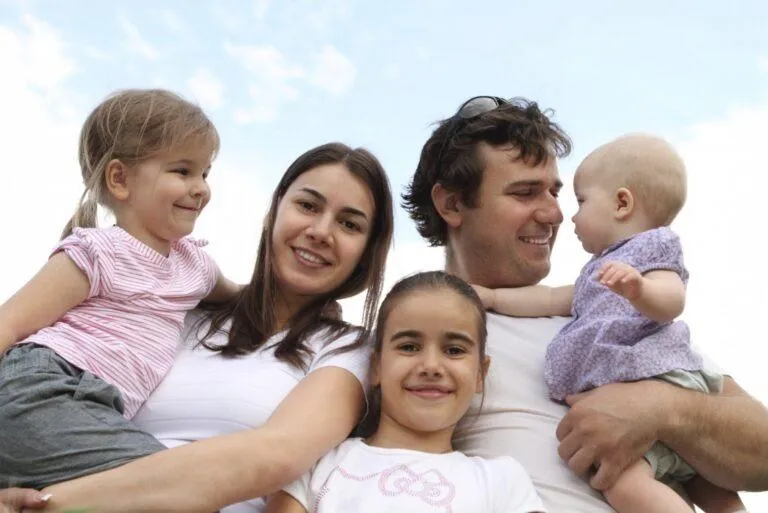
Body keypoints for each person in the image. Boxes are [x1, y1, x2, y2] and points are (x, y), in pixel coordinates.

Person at [401, 95, 768, 512]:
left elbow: (764, 454)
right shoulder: (407, 344)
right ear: (451, 204)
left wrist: (660, 409)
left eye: (556, 193)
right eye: (525, 193)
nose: (555, 214)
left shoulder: (610, 312)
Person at [0, 141, 394, 512]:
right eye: (308, 206)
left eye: (349, 224)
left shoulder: (350, 350)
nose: (321, 232)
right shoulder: (175, 308)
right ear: (274, 211)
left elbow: (278, 454)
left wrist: (49, 505)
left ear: (366, 251)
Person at [471, 134, 746, 513]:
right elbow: (552, 298)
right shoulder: (597, 274)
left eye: (580, 201)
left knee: (626, 484)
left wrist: (640, 290)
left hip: (658, 375)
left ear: (622, 203)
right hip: (645, 385)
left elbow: (672, 301)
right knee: (706, 485)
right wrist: (494, 298)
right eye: (524, 192)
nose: (566, 215)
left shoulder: (650, 252)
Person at [0, 88, 240, 489]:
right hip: (42, 389)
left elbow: (243, 296)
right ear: (120, 179)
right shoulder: (98, 251)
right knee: (183, 488)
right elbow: (10, 324)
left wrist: (315, 306)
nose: (201, 187)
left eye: (205, 172)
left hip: (92, 412)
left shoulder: (195, 265)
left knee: (165, 491)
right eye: (182, 171)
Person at [266, 271, 545, 513]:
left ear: (479, 376)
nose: (431, 366)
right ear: (376, 367)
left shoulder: (502, 481)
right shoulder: (318, 463)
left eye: (454, 350)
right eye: (409, 346)